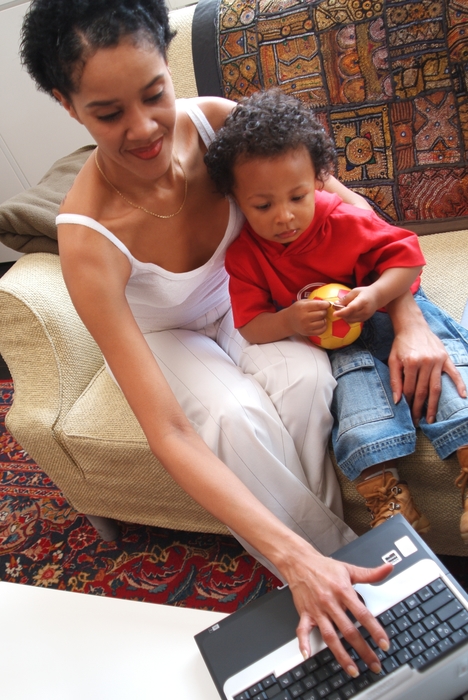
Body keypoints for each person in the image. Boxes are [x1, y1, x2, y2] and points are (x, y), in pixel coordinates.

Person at [19, 0, 463, 675]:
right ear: (66, 103)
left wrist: (407, 320)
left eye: (154, 94)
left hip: (249, 301)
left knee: (312, 379)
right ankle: (327, 565)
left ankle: (323, 567)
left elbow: (353, 219)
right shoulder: (87, 238)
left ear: (168, 68)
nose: (144, 130)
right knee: (234, 418)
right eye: (108, 113)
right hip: (167, 333)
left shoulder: (222, 124)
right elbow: (168, 432)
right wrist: (294, 556)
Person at [204, 88, 468, 538]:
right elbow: (250, 325)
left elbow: (407, 257)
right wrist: (288, 320)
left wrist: (377, 292)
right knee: (358, 414)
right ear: (235, 198)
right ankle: (392, 508)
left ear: (319, 181)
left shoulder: (341, 218)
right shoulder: (245, 256)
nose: (285, 217)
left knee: (448, 384)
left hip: (384, 310)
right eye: (263, 205)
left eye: (298, 196)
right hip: (341, 350)